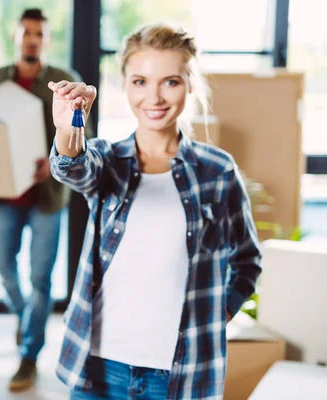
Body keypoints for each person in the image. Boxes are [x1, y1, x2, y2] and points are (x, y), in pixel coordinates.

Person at [48, 23, 262, 399]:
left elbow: (247, 260)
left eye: (171, 82)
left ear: (190, 85)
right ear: (125, 85)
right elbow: (73, 167)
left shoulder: (217, 171)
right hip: (100, 366)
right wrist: (69, 127)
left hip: (180, 375)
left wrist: (218, 315)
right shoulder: (109, 159)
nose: (155, 97)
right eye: (140, 81)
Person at [0, 8, 89, 392]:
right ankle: (27, 317)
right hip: (7, 192)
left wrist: (55, 157)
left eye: (39, 34)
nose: (32, 39)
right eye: (26, 32)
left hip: (47, 196)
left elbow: (82, 135)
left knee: (40, 278)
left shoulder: (64, 80)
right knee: (3, 263)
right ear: (16, 37)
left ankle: (29, 355)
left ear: (47, 39)